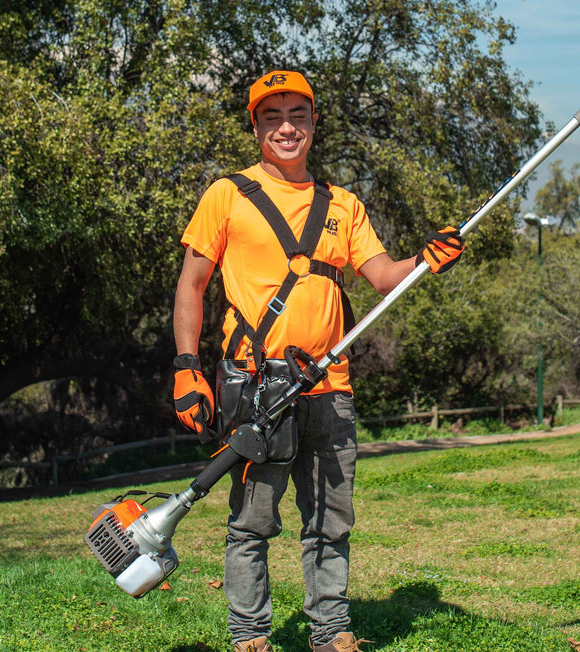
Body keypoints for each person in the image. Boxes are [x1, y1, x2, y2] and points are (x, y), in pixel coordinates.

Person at [172, 70, 464, 652]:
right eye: (273, 116)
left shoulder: (343, 205)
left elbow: (383, 276)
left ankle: (331, 633)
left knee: (331, 521)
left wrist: (424, 260)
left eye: (298, 115)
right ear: (255, 126)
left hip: (329, 389)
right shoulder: (227, 195)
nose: (287, 127)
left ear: (313, 123)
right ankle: (249, 635)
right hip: (257, 389)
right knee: (252, 522)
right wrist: (186, 367)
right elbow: (191, 285)